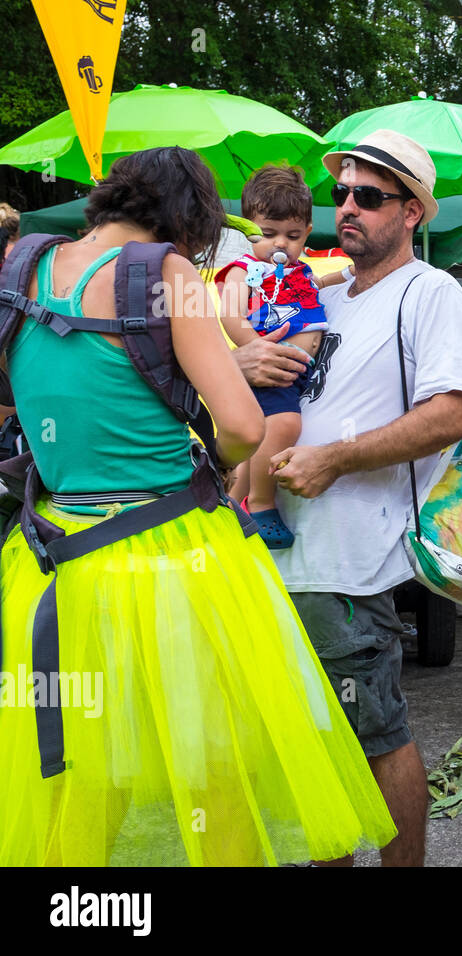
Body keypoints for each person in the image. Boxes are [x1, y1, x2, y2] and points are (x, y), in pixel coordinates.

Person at [0, 147, 395, 865]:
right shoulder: (167, 272)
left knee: (81, 762)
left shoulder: (22, 266)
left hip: (53, 555)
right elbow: (244, 427)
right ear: (187, 221)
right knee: (216, 760)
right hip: (172, 553)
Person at [259, 130, 462, 867]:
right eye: (342, 194)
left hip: (350, 560)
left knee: (376, 732)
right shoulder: (330, 295)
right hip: (287, 551)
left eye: (369, 196)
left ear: (413, 211)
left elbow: (454, 411)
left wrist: (335, 459)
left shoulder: (429, 291)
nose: (347, 207)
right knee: (319, 739)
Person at [215, 165, 331, 549]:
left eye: (293, 236)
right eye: (268, 234)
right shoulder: (246, 270)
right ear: (248, 229)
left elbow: (317, 284)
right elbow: (230, 313)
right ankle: (262, 504)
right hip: (272, 369)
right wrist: (256, 347)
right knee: (282, 426)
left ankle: (231, 507)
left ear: (307, 234)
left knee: (256, 445)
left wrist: (344, 278)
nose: (280, 244)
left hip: (294, 371)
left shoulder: (301, 270)